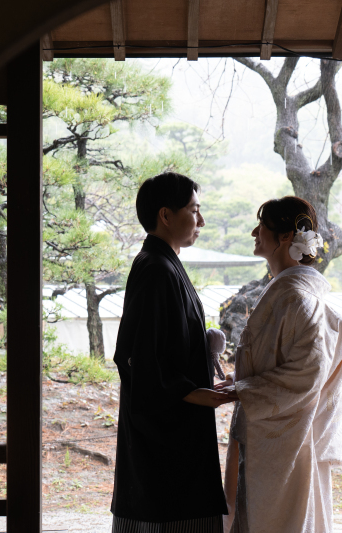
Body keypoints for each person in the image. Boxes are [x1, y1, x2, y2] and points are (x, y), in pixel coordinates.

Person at [216, 197, 342, 533]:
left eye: (261, 224)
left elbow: (307, 374)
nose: (254, 231)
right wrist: (241, 381)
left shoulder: (297, 298)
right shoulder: (289, 294)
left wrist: (241, 389)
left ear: (286, 237)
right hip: (271, 435)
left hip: (282, 442)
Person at [111, 172, 236, 533]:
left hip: (176, 425)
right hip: (165, 435)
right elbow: (140, 356)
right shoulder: (156, 269)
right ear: (166, 215)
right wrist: (196, 394)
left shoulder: (164, 264)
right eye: (194, 210)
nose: (201, 220)